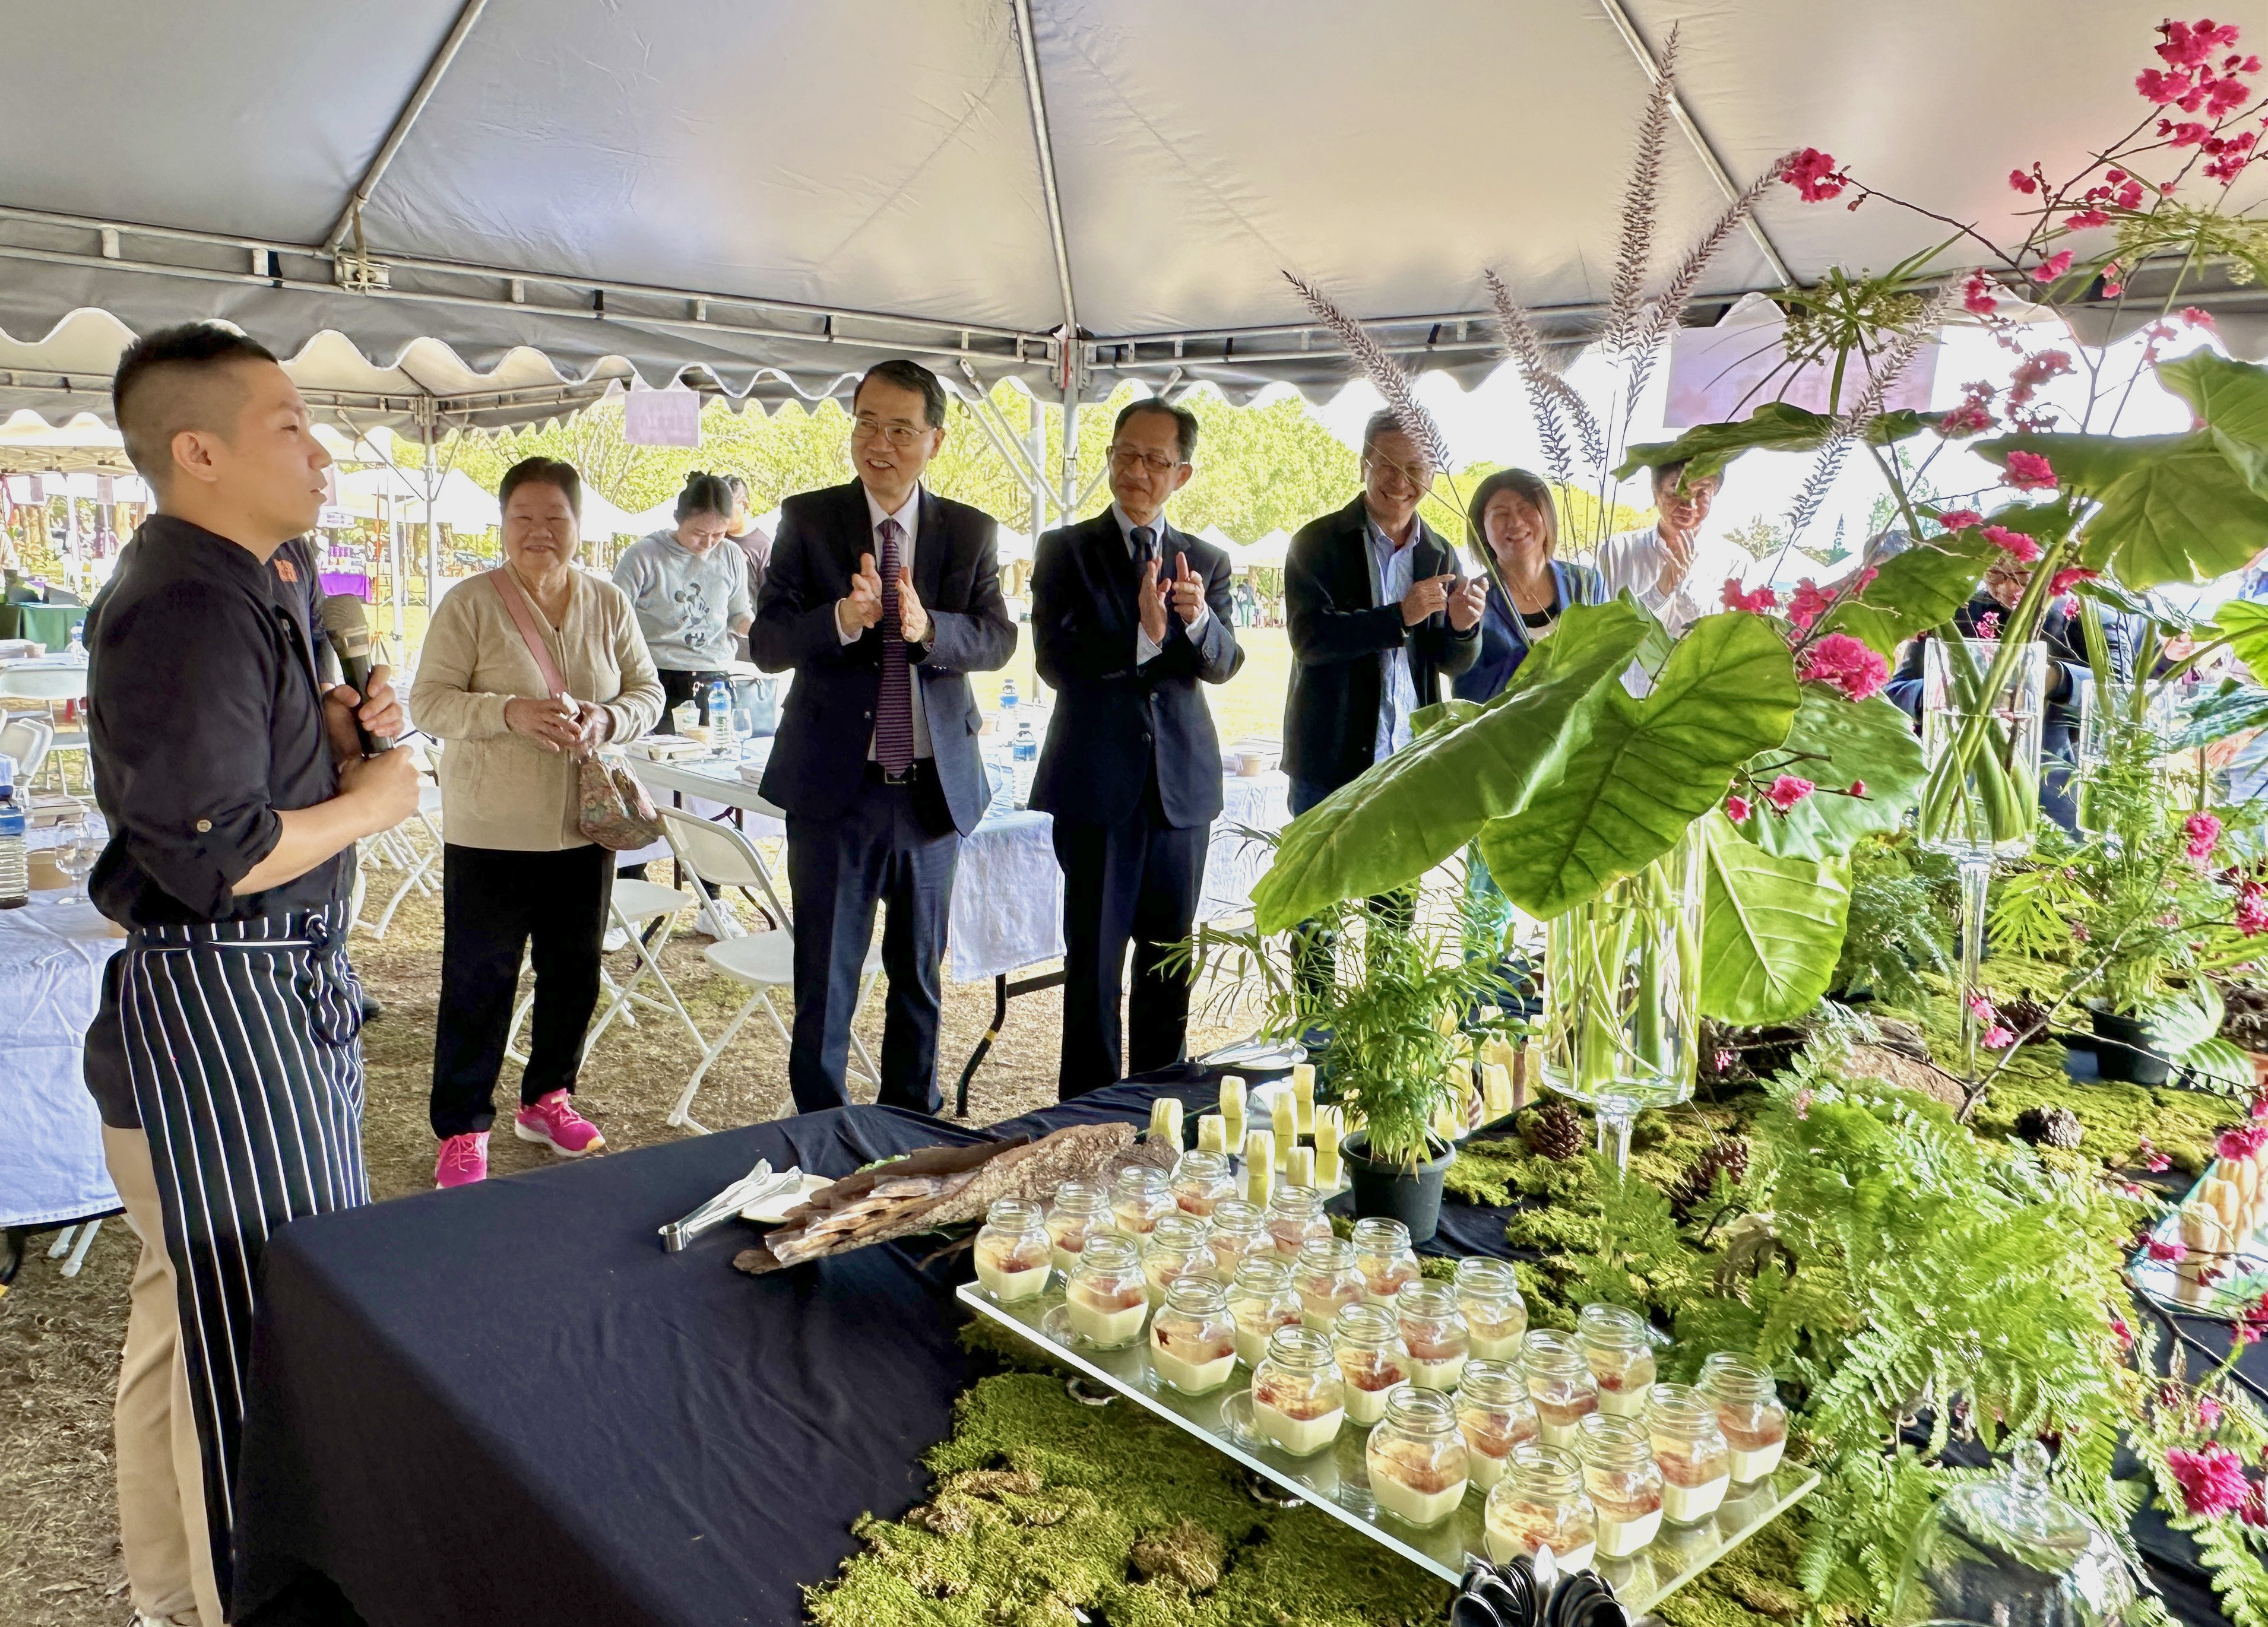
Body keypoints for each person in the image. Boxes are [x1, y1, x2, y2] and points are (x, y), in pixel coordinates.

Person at [82, 323, 418, 1625]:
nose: (319, 449)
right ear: (200, 452)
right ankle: (244, 1600)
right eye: (289, 424)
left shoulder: (252, 580)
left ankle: (177, 1593)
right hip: (219, 1013)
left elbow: (238, 785)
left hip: (254, 1002)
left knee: (187, 1318)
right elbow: (214, 851)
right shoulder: (184, 607)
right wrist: (375, 802)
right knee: (254, 1336)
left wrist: (326, 733)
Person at [753, 359, 1016, 1114]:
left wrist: (929, 626)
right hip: (835, 791)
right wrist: (843, 618)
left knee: (919, 976)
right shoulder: (809, 519)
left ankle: (910, 1124)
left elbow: (997, 638)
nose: (880, 443)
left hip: (931, 791)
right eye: (867, 423)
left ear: (935, 439)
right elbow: (768, 642)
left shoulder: (969, 530)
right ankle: (821, 1131)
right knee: (825, 978)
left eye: (901, 429)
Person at [408, 457, 664, 1188]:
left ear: (579, 524)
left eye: (555, 517)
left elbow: (648, 691)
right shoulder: (469, 603)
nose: (538, 531)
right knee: (479, 979)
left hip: (585, 828)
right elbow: (429, 702)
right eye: (523, 516)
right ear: (502, 523)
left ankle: (547, 1097)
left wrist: (608, 718)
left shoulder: (608, 602)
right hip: (490, 830)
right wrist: (509, 711)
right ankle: (462, 1127)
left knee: (573, 972)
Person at [1031, 398, 1244, 1098]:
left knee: (1167, 968)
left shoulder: (1206, 561)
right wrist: (1144, 638)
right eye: (1126, 453)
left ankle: (1159, 1113)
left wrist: (1198, 619)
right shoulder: (1064, 550)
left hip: (1180, 793)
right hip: (1097, 788)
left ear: (1182, 474)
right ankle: (1085, 1122)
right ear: (1109, 457)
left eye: (1155, 459)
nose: (1137, 471)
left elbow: (1224, 663)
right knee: (1093, 970)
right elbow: (1055, 662)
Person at [1282, 409, 1484, 817]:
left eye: (1415, 469)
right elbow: (1310, 639)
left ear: (1432, 477)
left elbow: (1450, 662)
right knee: (1326, 864)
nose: (1401, 481)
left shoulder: (1440, 552)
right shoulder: (1317, 543)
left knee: (1404, 865)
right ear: (1363, 467)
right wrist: (1400, 616)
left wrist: (1463, 629)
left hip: (1411, 759)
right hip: (1331, 763)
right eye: (1388, 466)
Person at [1884, 556, 2134, 832]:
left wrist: (2055, 679)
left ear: (2056, 567)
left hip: (2060, 793)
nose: (2007, 587)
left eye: (2022, 575)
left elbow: (2124, 699)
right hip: (1955, 789)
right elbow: (1895, 693)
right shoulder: (1956, 612)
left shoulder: (2094, 616)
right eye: (1995, 575)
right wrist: (1939, 691)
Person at [1452, 467, 1607, 704]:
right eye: (1501, 514)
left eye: (1525, 509)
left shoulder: (1587, 584)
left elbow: (1608, 662)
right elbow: (1467, 694)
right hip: (1506, 727)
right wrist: (1534, 662)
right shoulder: (1472, 600)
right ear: (1481, 529)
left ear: (1546, 516)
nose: (1515, 522)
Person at [613, 471, 750, 727]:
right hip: (656, 676)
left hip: (714, 679)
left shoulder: (731, 554)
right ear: (678, 518)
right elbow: (614, 619)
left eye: (719, 534)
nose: (708, 543)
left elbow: (738, 614)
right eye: (699, 532)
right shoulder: (643, 556)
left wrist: (757, 629)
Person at [1595, 460, 1748, 635]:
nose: (1689, 505)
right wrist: (1660, 590)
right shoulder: (1615, 553)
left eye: (1702, 494)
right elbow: (1603, 632)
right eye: (1677, 491)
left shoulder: (1736, 563)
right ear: (1656, 493)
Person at [720, 472, 774, 661]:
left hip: (747, 646)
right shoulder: (713, 540)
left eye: (727, 509)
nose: (721, 514)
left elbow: (768, 602)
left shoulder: (764, 547)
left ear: (745, 506)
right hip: (714, 644)